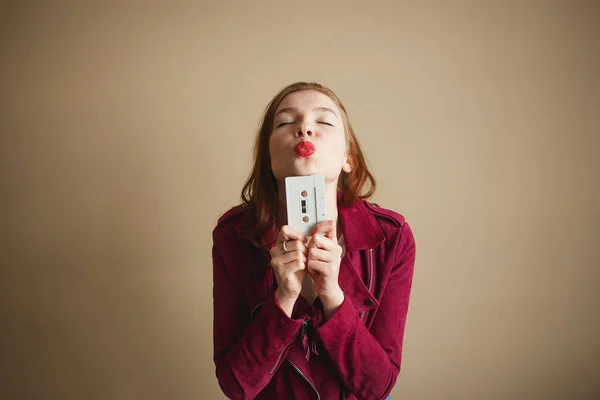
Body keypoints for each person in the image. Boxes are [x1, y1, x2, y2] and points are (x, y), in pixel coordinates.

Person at [212, 82, 416, 400]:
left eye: (323, 122)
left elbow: (377, 387)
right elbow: (236, 385)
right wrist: (284, 297)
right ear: (268, 158)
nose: (305, 129)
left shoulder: (392, 238)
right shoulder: (233, 236)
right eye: (285, 122)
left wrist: (332, 296)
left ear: (348, 159)